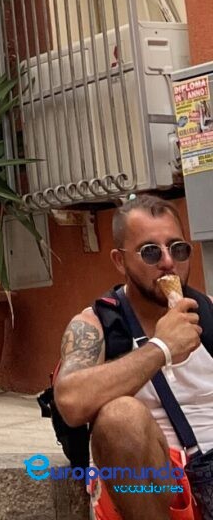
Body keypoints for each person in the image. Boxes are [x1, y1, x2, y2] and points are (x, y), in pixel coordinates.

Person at [53, 193, 212, 519]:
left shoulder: (209, 313)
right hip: (151, 489)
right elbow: (70, 402)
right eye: (151, 252)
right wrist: (161, 348)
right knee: (119, 417)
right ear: (119, 260)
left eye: (177, 248)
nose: (168, 262)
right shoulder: (96, 324)